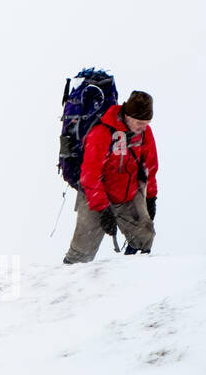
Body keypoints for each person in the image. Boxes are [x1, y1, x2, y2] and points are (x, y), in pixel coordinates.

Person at [63, 90, 158, 264]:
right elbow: (90, 176)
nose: (143, 127)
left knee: (144, 237)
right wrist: (102, 208)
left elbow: (150, 167)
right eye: (139, 122)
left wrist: (151, 197)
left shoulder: (144, 133)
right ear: (127, 115)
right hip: (95, 197)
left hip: (127, 195)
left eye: (147, 123)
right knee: (81, 254)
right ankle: (67, 284)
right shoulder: (102, 132)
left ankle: (129, 276)